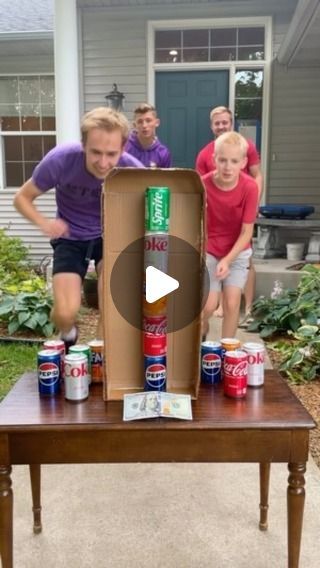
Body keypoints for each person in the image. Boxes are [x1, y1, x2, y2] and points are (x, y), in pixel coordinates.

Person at [14, 107, 143, 351]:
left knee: (111, 300)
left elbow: (154, 201)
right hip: (70, 236)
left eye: (111, 154)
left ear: (123, 148)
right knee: (65, 311)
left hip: (110, 234)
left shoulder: (132, 169)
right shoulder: (61, 160)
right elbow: (22, 197)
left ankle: (101, 353)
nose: (103, 163)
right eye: (95, 152)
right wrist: (45, 223)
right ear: (83, 144)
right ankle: (69, 332)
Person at [195, 106, 263, 324]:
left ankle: (227, 351)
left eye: (234, 162)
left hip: (237, 249)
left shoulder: (250, 187)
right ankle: (201, 338)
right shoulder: (203, 183)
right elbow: (195, 215)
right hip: (211, 248)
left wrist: (228, 259)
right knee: (208, 305)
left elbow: (246, 232)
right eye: (222, 160)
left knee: (233, 303)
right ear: (214, 159)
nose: (227, 166)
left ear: (242, 163)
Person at [125, 102, 172, 167]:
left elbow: (166, 177)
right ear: (134, 125)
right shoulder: (124, 148)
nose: (144, 125)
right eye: (140, 122)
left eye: (148, 120)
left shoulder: (163, 153)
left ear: (157, 123)